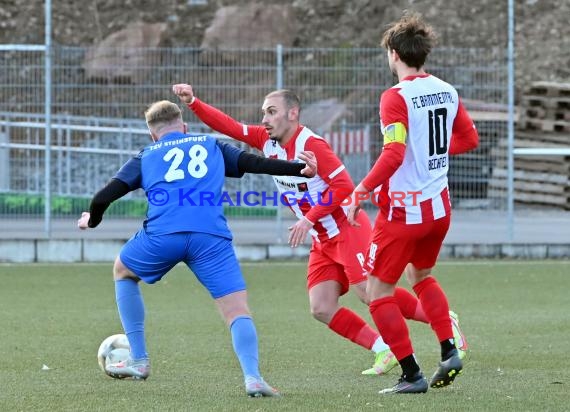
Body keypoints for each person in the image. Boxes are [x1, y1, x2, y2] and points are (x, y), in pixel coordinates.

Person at [172, 83, 468, 376]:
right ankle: (383, 348)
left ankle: (441, 320)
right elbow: (229, 126)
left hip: (346, 228)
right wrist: (193, 101)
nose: (264, 119)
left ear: (293, 114)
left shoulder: (312, 145)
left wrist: (308, 218)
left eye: (271, 112)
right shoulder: (266, 140)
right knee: (321, 306)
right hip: (322, 238)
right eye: (264, 112)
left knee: (369, 292)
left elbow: (343, 187)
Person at [77, 100, 319, 397]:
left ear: (153, 134)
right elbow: (253, 163)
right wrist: (299, 169)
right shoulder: (211, 144)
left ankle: (139, 360)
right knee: (236, 311)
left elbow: (104, 196)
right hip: (210, 238)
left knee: (123, 271)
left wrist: (93, 219)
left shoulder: (147, 154)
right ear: (185, 126)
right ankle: (253, 378)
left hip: (163, 235)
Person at [346, 11, 479, 394]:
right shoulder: (446, 90)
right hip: (439, 208)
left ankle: (411, 375)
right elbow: (469, 140)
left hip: (405, 212)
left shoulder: (395, 96)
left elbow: (392, 154)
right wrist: (429, 152)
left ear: (393, 53)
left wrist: (362, 189)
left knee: (377, 293)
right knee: (420, 277)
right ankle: (449, 350)